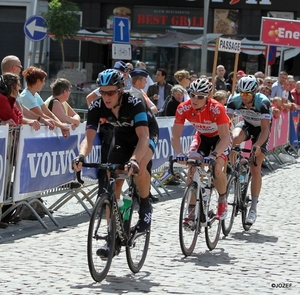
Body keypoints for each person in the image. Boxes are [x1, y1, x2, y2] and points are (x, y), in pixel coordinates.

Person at [72, 69, 159, 259]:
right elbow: (88, 138)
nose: (106, 97)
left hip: (145, 134)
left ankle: (145, 206)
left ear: (121, 90)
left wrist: (134, 160)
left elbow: (144, 137)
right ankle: (113, 233)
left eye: (111, 92)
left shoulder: (134, 101)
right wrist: (80, 156)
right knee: (113, 178)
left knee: (139, 167)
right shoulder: (97, 106)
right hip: (122, 136)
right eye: (102, 92)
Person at [171, 78, 232, 221]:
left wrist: (214, 155)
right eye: (192, 94)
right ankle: (191, 212)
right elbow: (175, 136)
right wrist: (180, 153)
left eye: (200, 97)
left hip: (221, 138)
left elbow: (225, 137)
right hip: (202, 137)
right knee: (192, 166)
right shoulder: (183, 107)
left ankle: (222, 200)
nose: (194, 99)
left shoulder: (217, 108)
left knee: (216, 167)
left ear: (208, 97)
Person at [226, 75, 272, 226]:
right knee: (233, 138)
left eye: (248, 94)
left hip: (261, 130)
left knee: (255, 166)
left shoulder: (263, 102)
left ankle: (253, 208)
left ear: (254, 92)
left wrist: (257, 145)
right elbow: (226, 123)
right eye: (242, 93)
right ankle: (234, 172)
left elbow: (265, 130)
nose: (244, 97)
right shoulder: (234, 100)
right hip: (246, 124)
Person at [1, 55, 55, 129]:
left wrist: (39, 119)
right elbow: (15, 117)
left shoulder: (11, 90)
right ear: (14, 68)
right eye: (20, 67)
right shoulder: (6, 92)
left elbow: (20, 112)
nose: (21, 70)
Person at [19, 66, 70, 137]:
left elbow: (49, 113)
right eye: (43, 80)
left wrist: (61, 126)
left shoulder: (35, 94)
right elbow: (42, 116)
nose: (44, 83)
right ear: (38, 81)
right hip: (26, 135)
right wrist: (62, 126)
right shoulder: (26, 96)